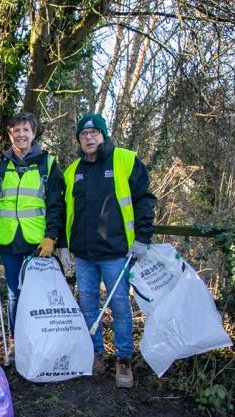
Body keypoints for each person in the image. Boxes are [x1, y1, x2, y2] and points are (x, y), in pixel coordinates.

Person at [60, 113, 156, 388]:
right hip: (84, 255)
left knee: (120, 307)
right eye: (83, 134)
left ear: (103, 135)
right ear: (79, 139)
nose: (89, 138)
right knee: (88, 304)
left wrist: (143, 238)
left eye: (94, 133)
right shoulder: (72, 171)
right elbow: (66, 211)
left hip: (116, 253)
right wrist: (64, 247)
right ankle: (95, 354)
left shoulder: (125, 161)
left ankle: (123, 359)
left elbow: (144, 201)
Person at [0, 111, 64, 347]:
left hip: (37, 242)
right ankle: (17, 341)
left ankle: (39, 340)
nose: (21, 134)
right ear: (10, 134)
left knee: (36, 292)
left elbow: (56, 205)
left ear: (33, 133)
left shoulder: (48, 164)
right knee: (15, 292)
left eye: (25, 130)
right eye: (16, 130)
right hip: (7, 239)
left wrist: (51, 237)